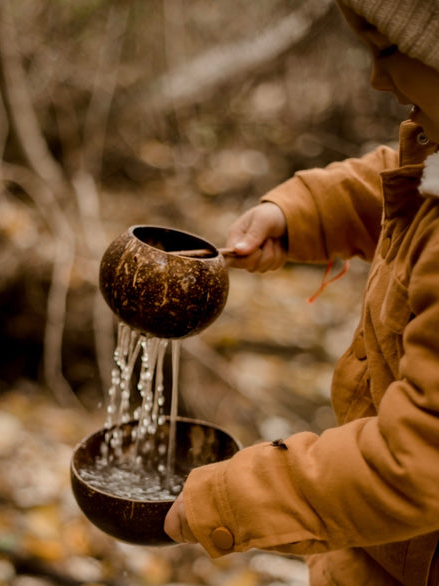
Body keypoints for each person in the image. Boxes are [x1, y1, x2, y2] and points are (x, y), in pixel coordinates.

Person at [164, 0, 439, 584]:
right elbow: (409, 187)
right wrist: (299, 212)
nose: (376, 77)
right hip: (382, 551)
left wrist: (233, 498)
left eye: (389, 49)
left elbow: (415, 464)